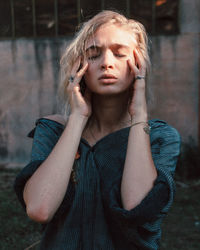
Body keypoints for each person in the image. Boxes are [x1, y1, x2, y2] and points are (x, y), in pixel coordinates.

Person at [14, 10, 181, 250]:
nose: (106, 63)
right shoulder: (53, 130)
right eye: (93, 54)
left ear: (139, 65)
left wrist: (140, 116)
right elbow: (40, 209)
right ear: (78, 67)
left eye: (119, 53)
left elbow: (137, 207)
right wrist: (77, 118)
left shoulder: (161, 137)